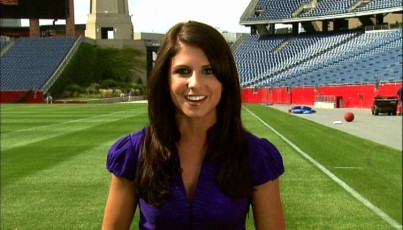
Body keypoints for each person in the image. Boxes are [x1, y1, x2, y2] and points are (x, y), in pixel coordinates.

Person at [102, 21, 285, 230]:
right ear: (166, 79)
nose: (195, 83)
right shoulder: (134, 152)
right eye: (183, 71)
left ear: (224, 80)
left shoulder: (255, 155)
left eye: (208, 70)